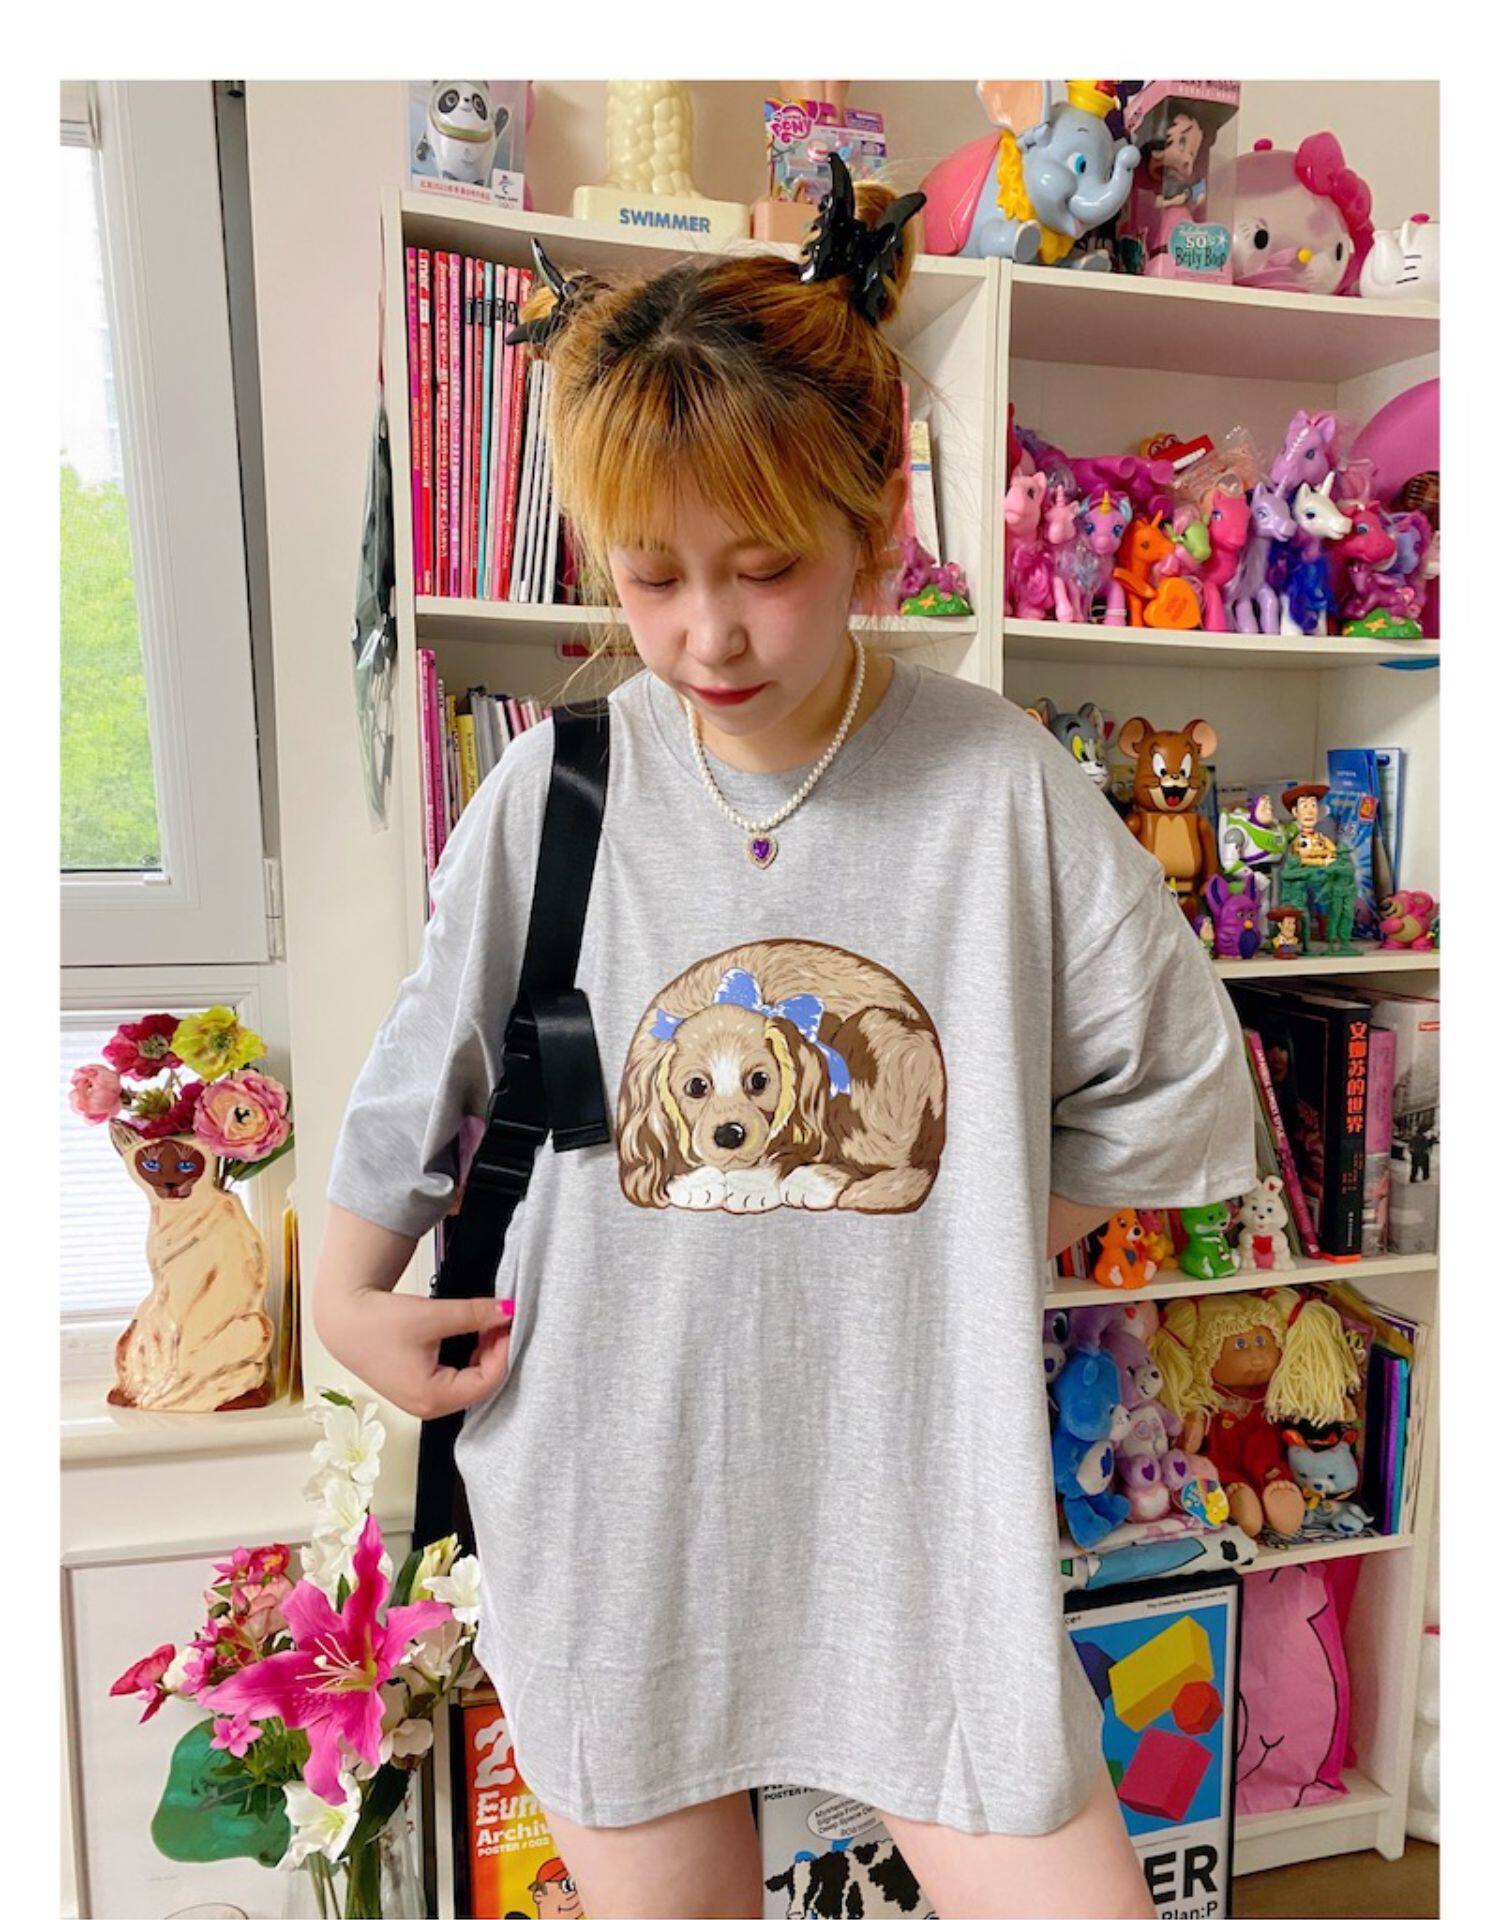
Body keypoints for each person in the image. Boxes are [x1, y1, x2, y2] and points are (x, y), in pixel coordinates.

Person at [315, 172, 1257, 1920]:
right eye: (652, 577)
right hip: (619, 1509)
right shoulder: (557, 789)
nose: (708, 634)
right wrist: (343, 1302)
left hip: (924, 1525)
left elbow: (1183, 1085)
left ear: (876, 525)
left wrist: (977, 1229)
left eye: (765, 570)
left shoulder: (999, 790)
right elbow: (418, 1082)